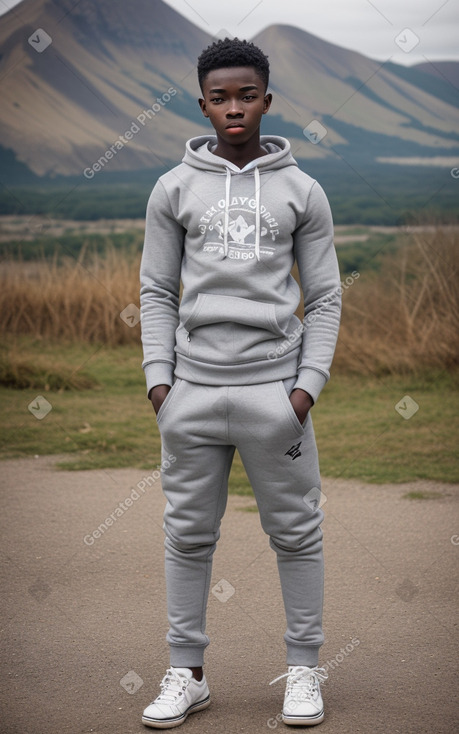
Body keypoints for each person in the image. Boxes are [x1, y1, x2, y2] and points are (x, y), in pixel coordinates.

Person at [139, 37, 341, 729]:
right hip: (190, 394)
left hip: (274, 397)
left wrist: (303, 390)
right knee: (187, 537)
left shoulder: (301, 190)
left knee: (297, 534)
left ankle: (304, 672)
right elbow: (156, 291)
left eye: (246, 95)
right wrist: (159, 384)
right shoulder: (171, 188)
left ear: (266, 100)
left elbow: (325, 296)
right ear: (202, 104)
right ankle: (185, 675)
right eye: (219, 97)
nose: (233, 107)